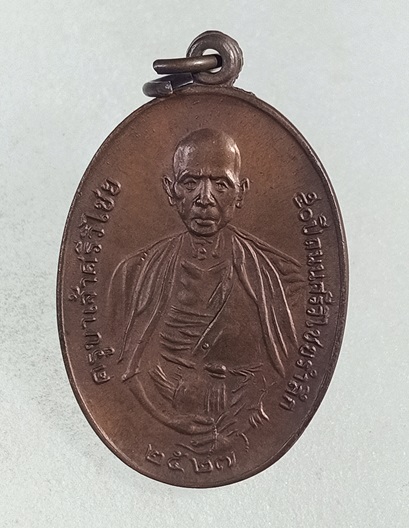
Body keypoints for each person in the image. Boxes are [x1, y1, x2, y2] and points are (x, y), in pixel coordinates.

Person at [108, 128, 303, 454]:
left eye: (221, 184)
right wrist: (169, 418)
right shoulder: (133, 275)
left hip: (241, 426)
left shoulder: (277, 279)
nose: (205, 197)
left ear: (241, 192)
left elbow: (285, 372)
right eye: (190, 182)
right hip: (160, 420)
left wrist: (239, 409)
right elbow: (118, 368)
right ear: (171, 190)